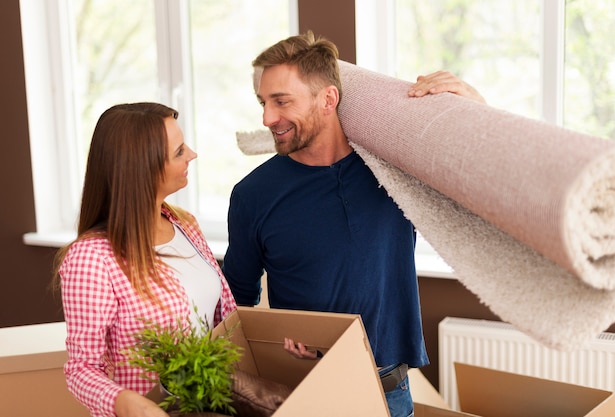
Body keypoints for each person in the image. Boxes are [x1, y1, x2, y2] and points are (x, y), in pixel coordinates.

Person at [221, 31, 485, 417]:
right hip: (306, 392)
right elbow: (235, 307)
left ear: (328, 99)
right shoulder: (253, 194)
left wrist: (471, 104)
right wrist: (279, 341)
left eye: (281, 101)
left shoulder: (394, 170)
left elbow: (479, 185)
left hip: (391, 393)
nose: (267, 118)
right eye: (263, 102)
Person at [53, 102, 237, 417]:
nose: (192, 154)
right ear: (143, 168)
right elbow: (83, 369)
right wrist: (125, 403)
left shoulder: (186, 225)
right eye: (179, 151)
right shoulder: (92, 258)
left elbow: (223, 322)